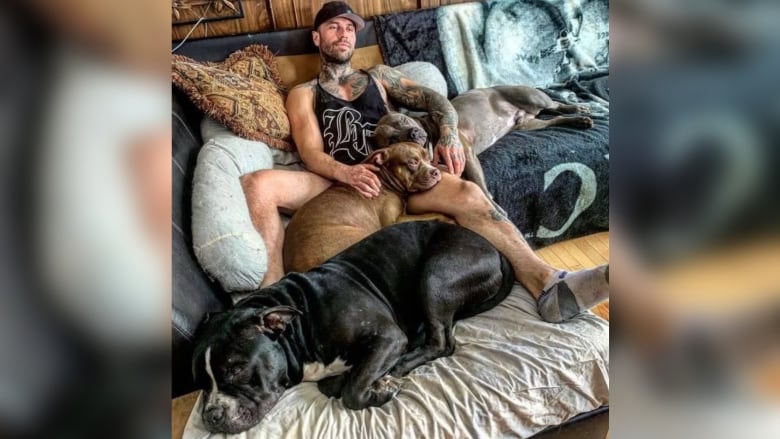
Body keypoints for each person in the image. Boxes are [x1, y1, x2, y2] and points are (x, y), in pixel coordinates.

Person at [241, 1, 608, 322]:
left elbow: (437, 102)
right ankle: (270, 294)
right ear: (317, 38)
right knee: (258, 183)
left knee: (468, 193)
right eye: (333, 27)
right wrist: (348, 173)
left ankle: (548, 284)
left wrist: (448, 132)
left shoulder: (379, 77)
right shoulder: (304, 94)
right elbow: (310, 153)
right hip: (336, 178)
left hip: (399, 175)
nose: (343, 34)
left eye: (350, 28)